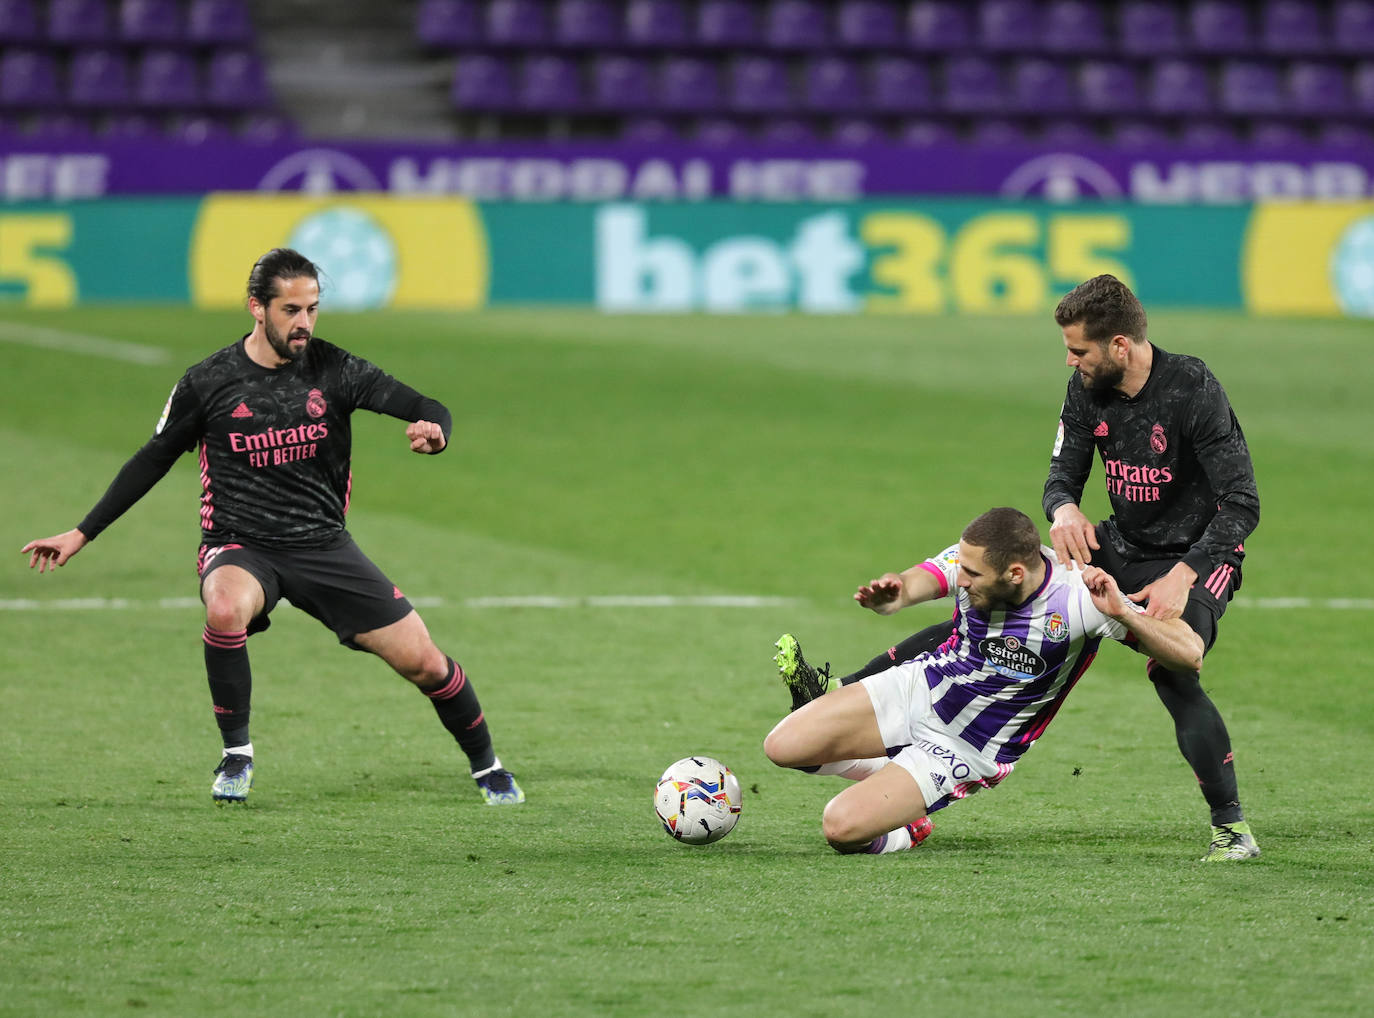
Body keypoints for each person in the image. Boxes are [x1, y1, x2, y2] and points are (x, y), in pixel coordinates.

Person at [776, 274, 1259, 862]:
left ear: (1120, 347)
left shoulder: (1191, 388)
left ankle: (1230, 828)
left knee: (1174, 672)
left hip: (1198, 551)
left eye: (1078, 349)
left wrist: (1184, 575)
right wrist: (1064, 510)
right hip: (1122, 540)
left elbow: (1241, 502)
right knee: (987, 602)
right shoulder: (1085, 388)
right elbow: (1060, 477)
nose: (1069, 359)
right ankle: (856, 701)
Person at [21, 248, 525, 807]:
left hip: (322, 546)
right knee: (225, 606)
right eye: (291, 309)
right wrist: (82, 532)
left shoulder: (335, 369)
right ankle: (236, 755)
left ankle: (489, 767)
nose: (304, 323)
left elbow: (426, 405)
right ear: (256, 308)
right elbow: (152, 458)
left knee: (425, 662)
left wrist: (437, 431)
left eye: (312, 309)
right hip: (241, 544)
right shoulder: (208, 381)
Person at [763, 507, 1204, 856]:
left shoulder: (1079, 600)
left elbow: (1189, 654)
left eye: (972, 575)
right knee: (782, 747)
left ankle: (908, 826)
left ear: (1014, 573)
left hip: (970, 745)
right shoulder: (968, 560)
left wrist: (1124, 613)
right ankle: (891, 777)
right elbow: (917, 582)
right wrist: (896, 593)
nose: (961, 577)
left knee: (840, 829)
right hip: (923, 687)